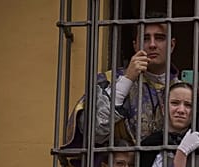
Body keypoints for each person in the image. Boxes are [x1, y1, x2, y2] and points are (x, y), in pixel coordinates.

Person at [63, 11, 179, 149]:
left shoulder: (184, 88)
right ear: (136, 45)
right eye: (145, 38)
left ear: (172, 45)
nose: (152, 45)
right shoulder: (107, 80)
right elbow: (91, 132)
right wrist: (127, 79)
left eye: (159, 38)